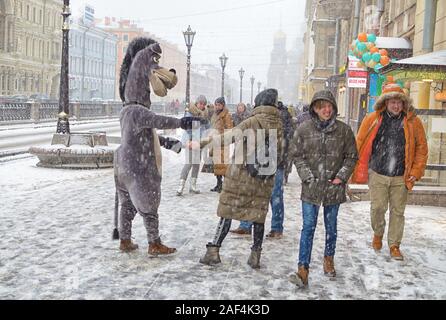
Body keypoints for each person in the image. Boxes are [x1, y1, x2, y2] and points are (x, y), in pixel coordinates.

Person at [113, 37, 200, 256]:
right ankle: (154, 243)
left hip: (123, 166)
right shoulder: (138, 111)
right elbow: (155, 121)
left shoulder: (126, 112)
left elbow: (143, 135)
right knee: (149, 205)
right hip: (138, 167)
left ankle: (125, 240)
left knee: (128, 205)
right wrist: (181, 122)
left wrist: (168, 143)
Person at [198, 89, 283, 269]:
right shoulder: (278, 123)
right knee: (258, 215)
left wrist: (204, 142)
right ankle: (255, 255)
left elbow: (228, 137)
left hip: (242, 175)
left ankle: (213, 251)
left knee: (228, 213)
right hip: (263, 178)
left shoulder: (252, 121)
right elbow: (280, 151)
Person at [288, 90, 358, 288]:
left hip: (333, 188)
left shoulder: (343, 131)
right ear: (315, 109)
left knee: (331, 228)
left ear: (334, 108)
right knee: (308, 228)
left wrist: (341, 177)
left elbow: (352, 156)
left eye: (329, 106)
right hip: (311, 187)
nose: (326, 110)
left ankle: (329, 258)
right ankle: (303, 268)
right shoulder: (303, 129)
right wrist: (307, 176)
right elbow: (297, 155)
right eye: (321, 106)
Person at [351, 83, 428, 260]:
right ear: (385, 103)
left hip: (402, 175)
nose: (396, 106)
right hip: (378, 173)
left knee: (398, 212)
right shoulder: (372, 119)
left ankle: (394, 244)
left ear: (404, 104)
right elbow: (360, 143)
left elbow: (421, 149)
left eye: (399, 102)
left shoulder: (413, 122)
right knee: (377, 208)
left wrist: (416, 172)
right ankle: (378, 233)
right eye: (392, 102)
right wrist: (356, 168)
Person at [230, 100, 294, 238]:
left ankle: (276, 228)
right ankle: (246, 225)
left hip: (275, 162)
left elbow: (287, 139)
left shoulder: (282, 117)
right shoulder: (258, 117)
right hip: (257, 161)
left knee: (275, 195)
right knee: (252, 193)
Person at [176, 95, 210, 196]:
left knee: (196, 164)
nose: (202, 105)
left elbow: (208, 127)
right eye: (200, 103)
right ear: (197, 103)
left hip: (200, 142)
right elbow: (186, 126)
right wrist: (191, 139)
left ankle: (193, 185)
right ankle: (181, 186)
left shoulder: (205, 114)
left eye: (204, 104)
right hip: (191, 141)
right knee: (189, 163)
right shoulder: (190, 113)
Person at [209, 97, 233, 193]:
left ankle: (227, 185)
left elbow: (230, 128)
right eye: (216, 104)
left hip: (222, 143)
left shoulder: (226, 115)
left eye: (219, 105)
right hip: (215, 142)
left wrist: (223, 136)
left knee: (223, 166)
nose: (217, 106)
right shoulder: (215, 114)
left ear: (223, 105)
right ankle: (219, 184)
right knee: (217, 166)